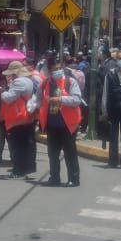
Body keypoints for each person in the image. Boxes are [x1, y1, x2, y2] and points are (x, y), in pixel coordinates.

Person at [39, 58, 83, 187]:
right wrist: (32, 106)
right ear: (50, 71)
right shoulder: (45, 83)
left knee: (70, 153)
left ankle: (74, 179)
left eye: (59, 68)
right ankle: (54, 178)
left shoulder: (70, 81)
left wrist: (60, 99)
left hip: (68, 124)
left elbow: (77, 99)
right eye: (54, 69)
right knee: (52, 154)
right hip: (52, 124)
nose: (58, 71)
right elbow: (38, 98)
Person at [0, 61, 37, 179]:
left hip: (17, 116)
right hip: (27, 116)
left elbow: (9, 98)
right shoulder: (30, 80)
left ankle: (18, 169)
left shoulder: (19, 82)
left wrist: (3, 92)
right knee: (27, 144)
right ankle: (27, 167)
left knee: (16, 145)